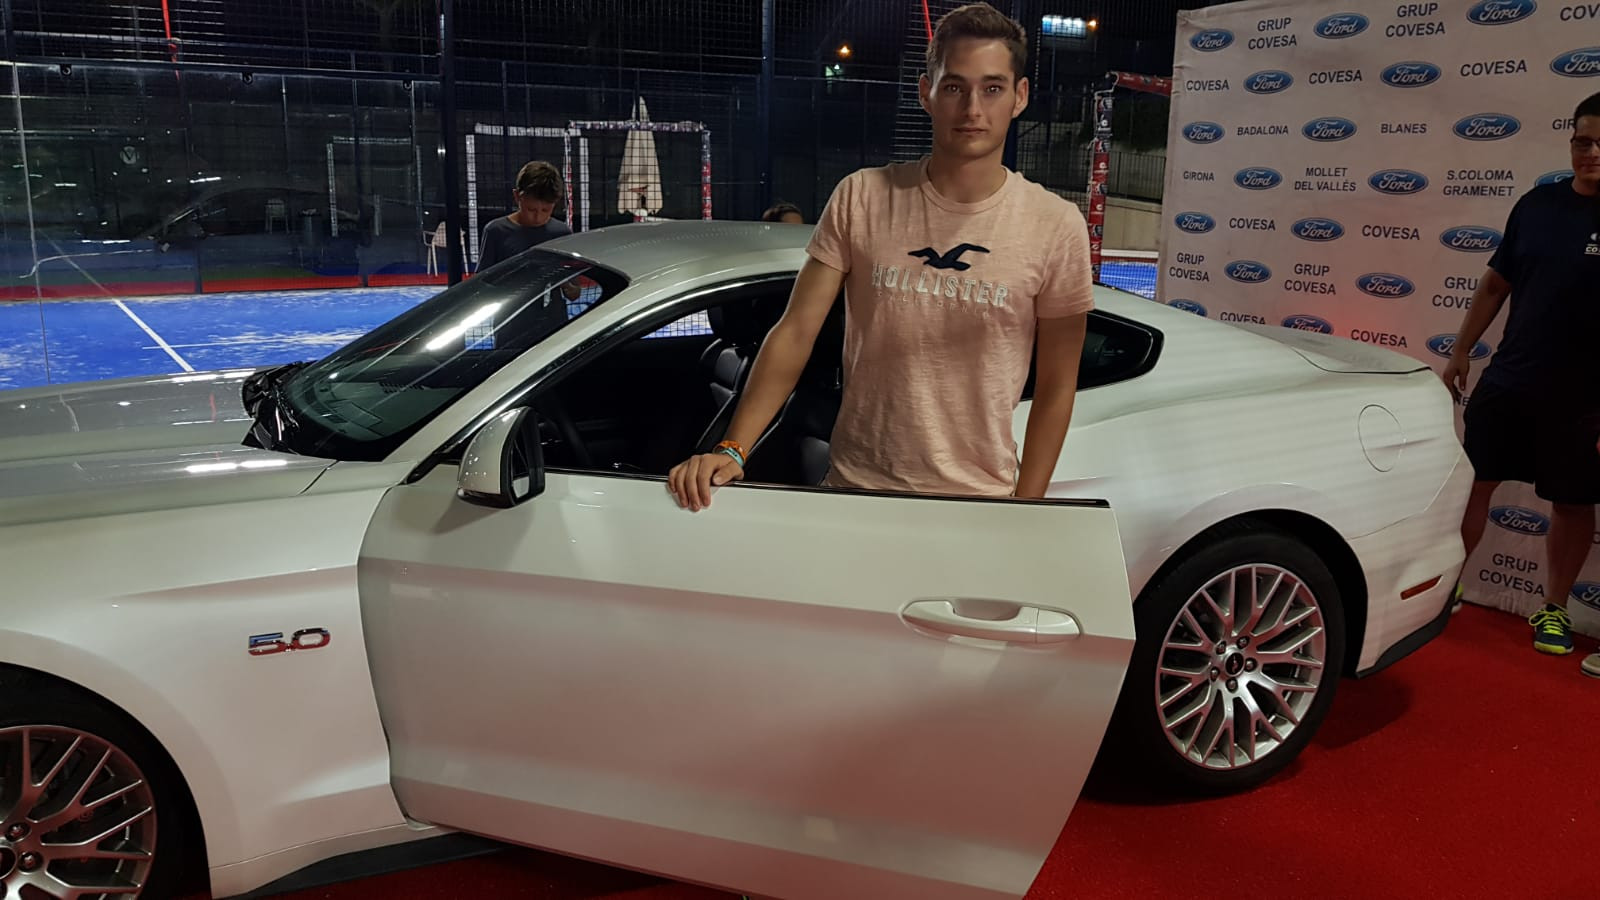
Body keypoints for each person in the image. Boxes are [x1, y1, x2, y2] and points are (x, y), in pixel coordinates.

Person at [668, 2, 1093, 510]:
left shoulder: (1055, 225)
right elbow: (796, 331)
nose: (972, 109)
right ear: (926, 92)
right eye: (954, 87)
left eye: (992, 88)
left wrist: (1027, 509)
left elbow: (1057, 385)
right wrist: (733, 448)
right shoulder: (862, 197)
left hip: (980, 504)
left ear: (1019, 96)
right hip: (855, 493)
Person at [1442, 90, 1600, 667]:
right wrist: (1462, 349)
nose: (1591, 152)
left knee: (1573, 504)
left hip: (1584, 398)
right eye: (1583, 141)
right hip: (1511, 378)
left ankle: (1554, 608)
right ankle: (1445, 586)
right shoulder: (1536, 205)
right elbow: (1494, 284)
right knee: (1474, 483)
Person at [475, 160, 571, 271]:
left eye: (546, 210)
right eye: (531, 209)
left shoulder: (562, 234)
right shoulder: (496, 231)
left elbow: (572, 278)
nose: (538, 217)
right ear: (517, 196)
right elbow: (482, 278)